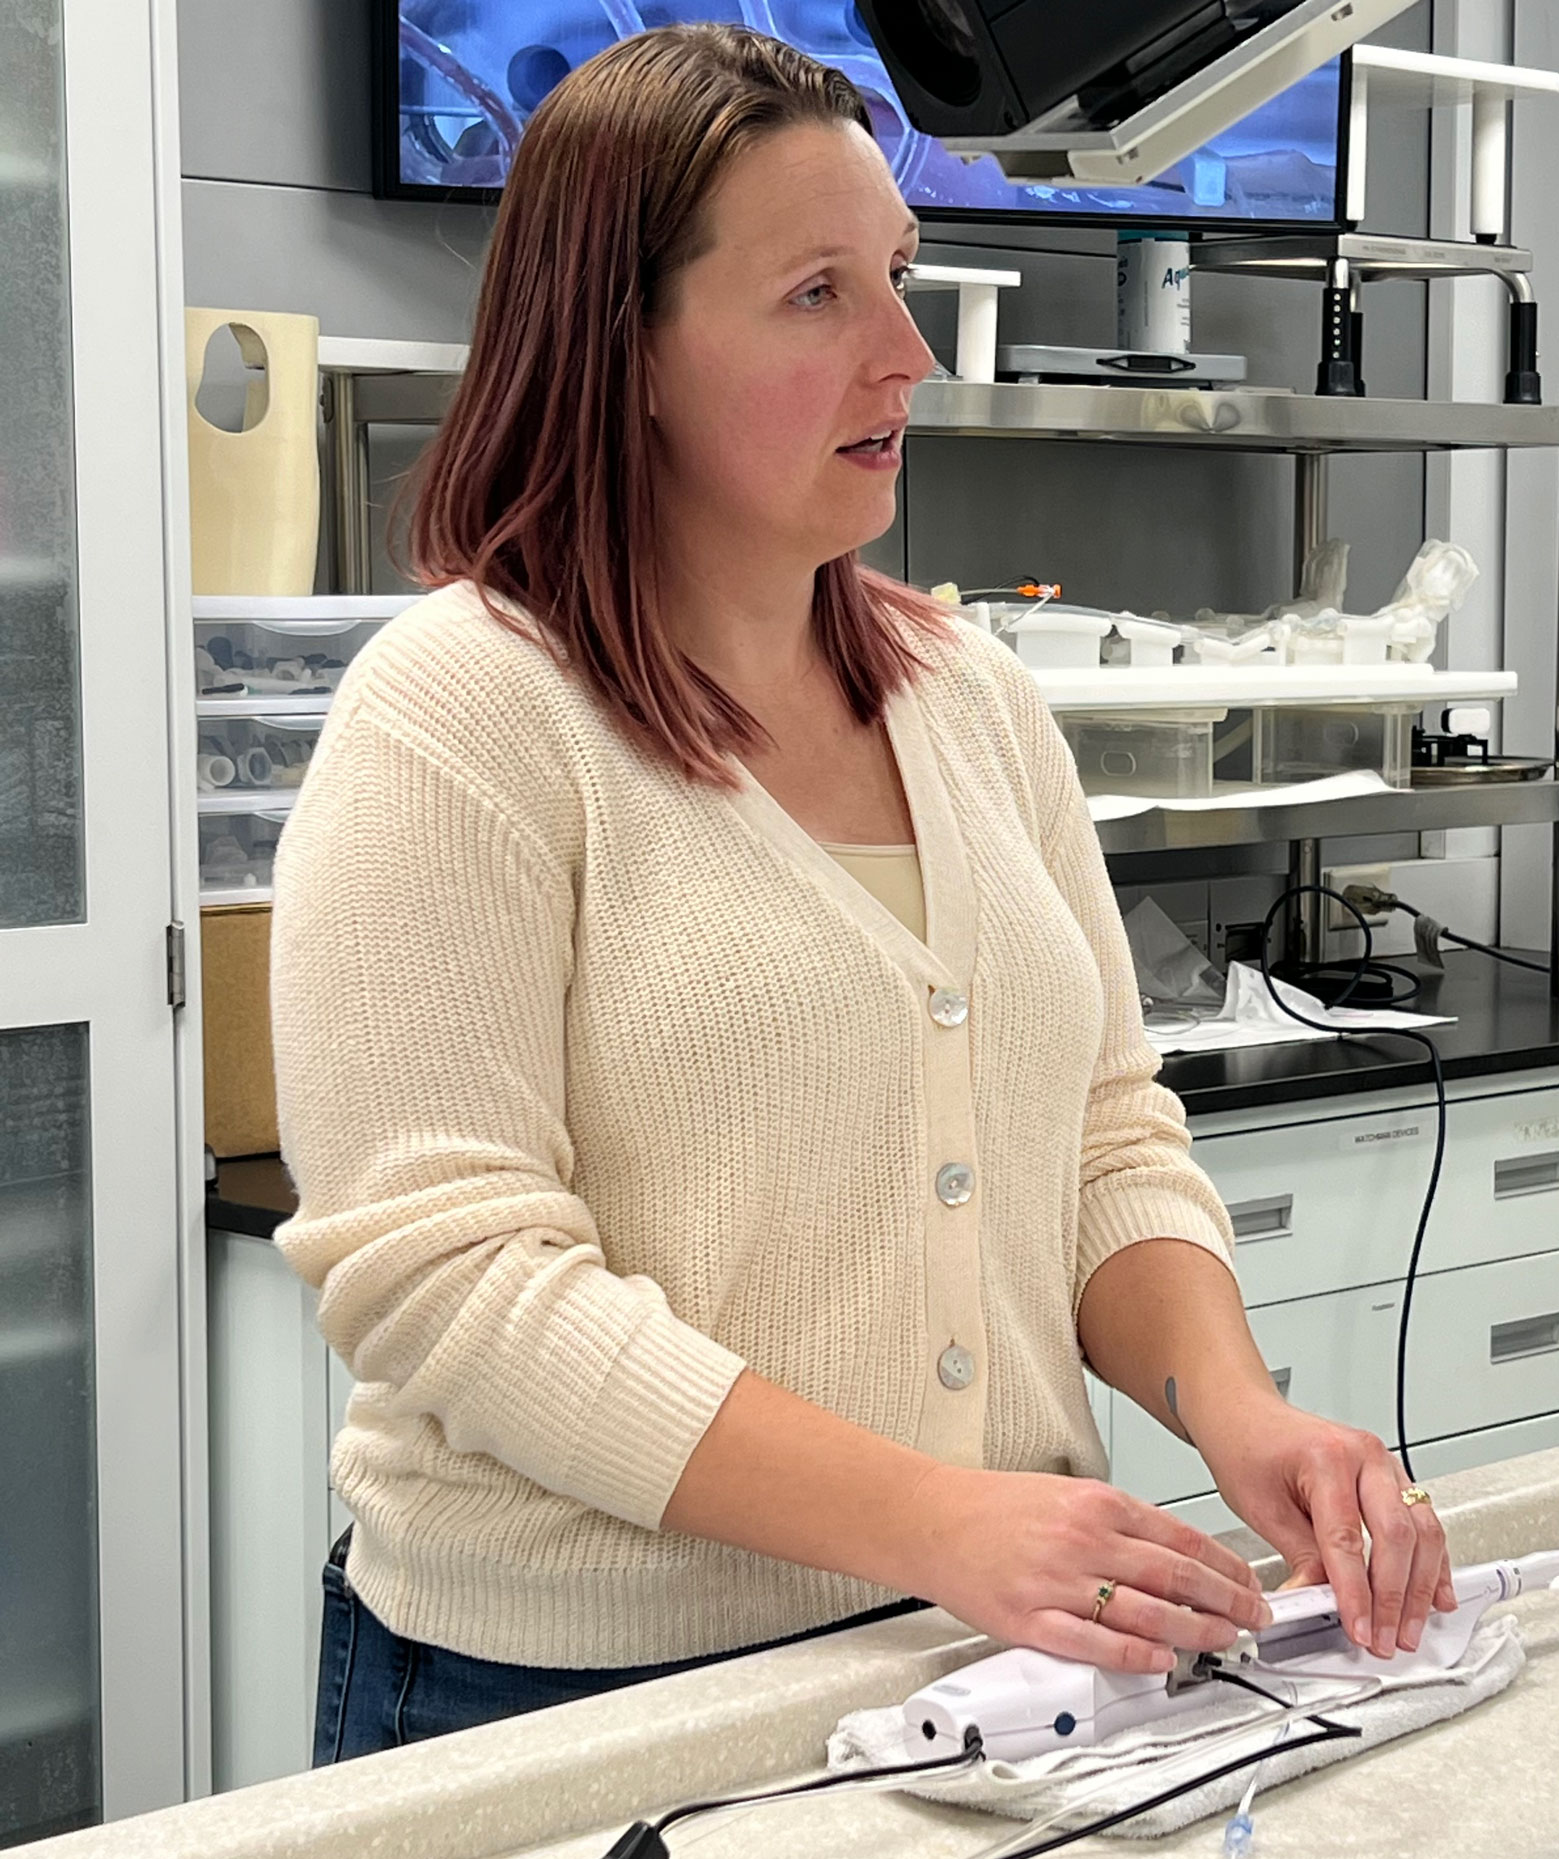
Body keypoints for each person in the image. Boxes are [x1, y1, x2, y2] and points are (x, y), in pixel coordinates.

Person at [272, 23, 1452, 1766]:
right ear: (629, 347)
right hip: (578, 1703)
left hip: (980, 1662)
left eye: (896, 276)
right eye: (818, 294)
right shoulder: (463, 712)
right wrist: (930, 1516)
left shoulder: (970, 699)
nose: (906, 352)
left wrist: (1238, 1412)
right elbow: (451, 1282)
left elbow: (1108, 1142)